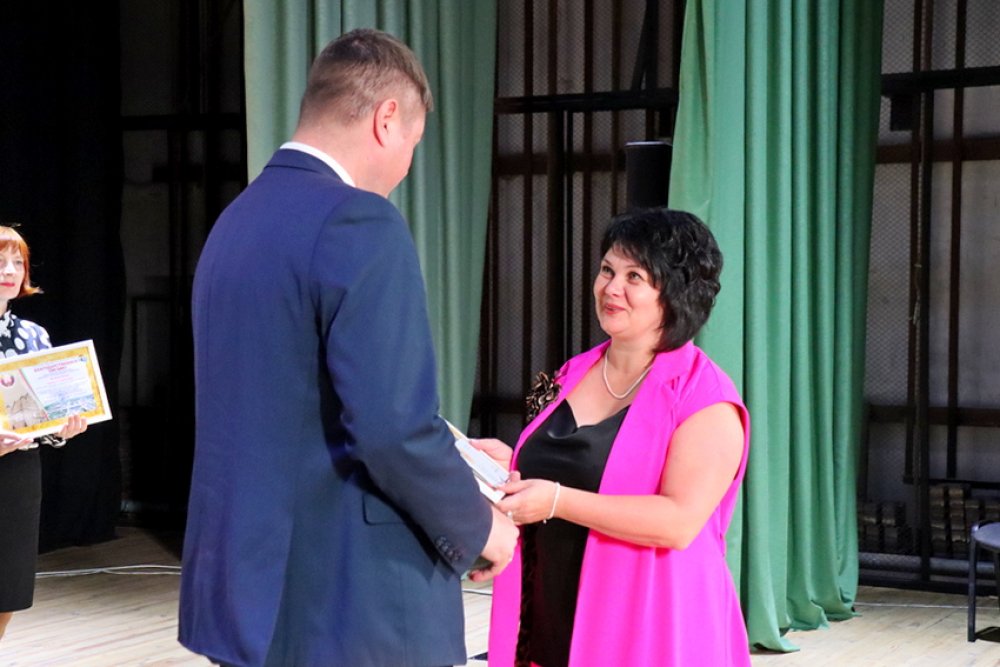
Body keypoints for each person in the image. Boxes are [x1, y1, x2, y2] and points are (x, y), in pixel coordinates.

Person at [178, 28, 518, 667]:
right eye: (414, 143)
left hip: (247, 593)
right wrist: (480, 526)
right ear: (387, 120)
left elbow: (291, 396)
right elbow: (391, 430)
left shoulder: (236, 221)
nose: (407, 166)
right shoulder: (361, 221)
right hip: (348, 602)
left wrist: (454, 449)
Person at [471, 208, 752, 666]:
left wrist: (558, 501)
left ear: (676, 292)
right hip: (549, 609)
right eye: (607, 270)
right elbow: (577, 468)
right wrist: (511, 466)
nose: (611, 288)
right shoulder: (573, 371)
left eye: (634, 276)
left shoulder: (706, 398)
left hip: (650, 623)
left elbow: (678, 522)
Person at [0, 225, 87, 641]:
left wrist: (64, 427)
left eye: (17, 263)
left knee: (8, 588)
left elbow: (44, 418)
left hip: (17, 474)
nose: (9, 271)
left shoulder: (34, 335)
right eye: (0, 262)